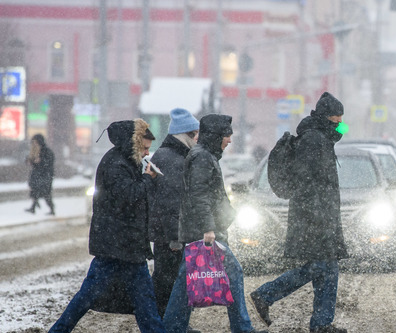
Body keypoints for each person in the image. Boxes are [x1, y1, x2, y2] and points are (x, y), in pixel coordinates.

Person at [49, 119, 165, 333]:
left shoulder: (126, 162)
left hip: (127, 246)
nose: (147, 154)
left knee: (145, 302)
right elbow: (129, 196)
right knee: (87, 297)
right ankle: (58, 330)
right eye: (145, 148)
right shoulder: (116, 164)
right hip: (115, 246)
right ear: (133, 144)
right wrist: (148, 179)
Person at [250, 92, 348, 333]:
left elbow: (320, 180)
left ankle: (321, 323)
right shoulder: (313, 140)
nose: (343, 125)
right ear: (328, 118)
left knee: (327, 267)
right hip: (314, 217)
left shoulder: (321, 137)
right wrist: (320, 217)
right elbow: (308, 182)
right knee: (321, 267)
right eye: (339, 119)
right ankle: (266, 295)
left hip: (319, 215)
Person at [163, 114, 266, 333]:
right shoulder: (202, 157)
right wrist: (208, 228)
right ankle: (242, 328)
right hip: (204, 232)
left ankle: (173, 326)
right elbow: (199, 195)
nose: (229, 140)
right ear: (215, 136)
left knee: (186, 278)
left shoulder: (205, 155)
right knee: (234, 273)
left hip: (199, 230)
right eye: (226, 136)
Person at [148, 108, 202, 333]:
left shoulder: (169, 155)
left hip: (167, 232)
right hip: (170, 235)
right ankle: (168, 324)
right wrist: (175, 238)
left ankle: (168, 323)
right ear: (185, 134)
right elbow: (171, 204)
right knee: (168, 282)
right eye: (195, 134)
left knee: (166, 280)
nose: (198, 138)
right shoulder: (173, 159)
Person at [25, 133, 55, 215]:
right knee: (35, 191)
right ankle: (33, 207)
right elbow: (30, 161)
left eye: (35, 142)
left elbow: (48, 164)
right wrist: (31, 161)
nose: (34, 144)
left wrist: (40, 162)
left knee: (46, 194)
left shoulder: (47, 152)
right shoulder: (34, 151)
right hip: (37, 176)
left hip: (45, 176)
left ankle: (52, 209)